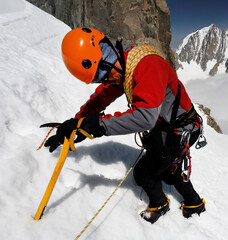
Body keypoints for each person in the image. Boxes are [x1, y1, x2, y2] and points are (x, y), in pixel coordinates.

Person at [43, 27, 206, 223]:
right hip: (170, 126)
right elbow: (100, 99)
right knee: (167, 167)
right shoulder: (125, 64)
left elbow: (144, 117)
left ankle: (163, 204)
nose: (106, 80)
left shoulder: (148, 66)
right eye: (99, 79)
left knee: (146, 173)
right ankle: (192, 201)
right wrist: (77, 124)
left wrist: (96, 126)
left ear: (105, 57)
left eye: (103, 74)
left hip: (180, 130)